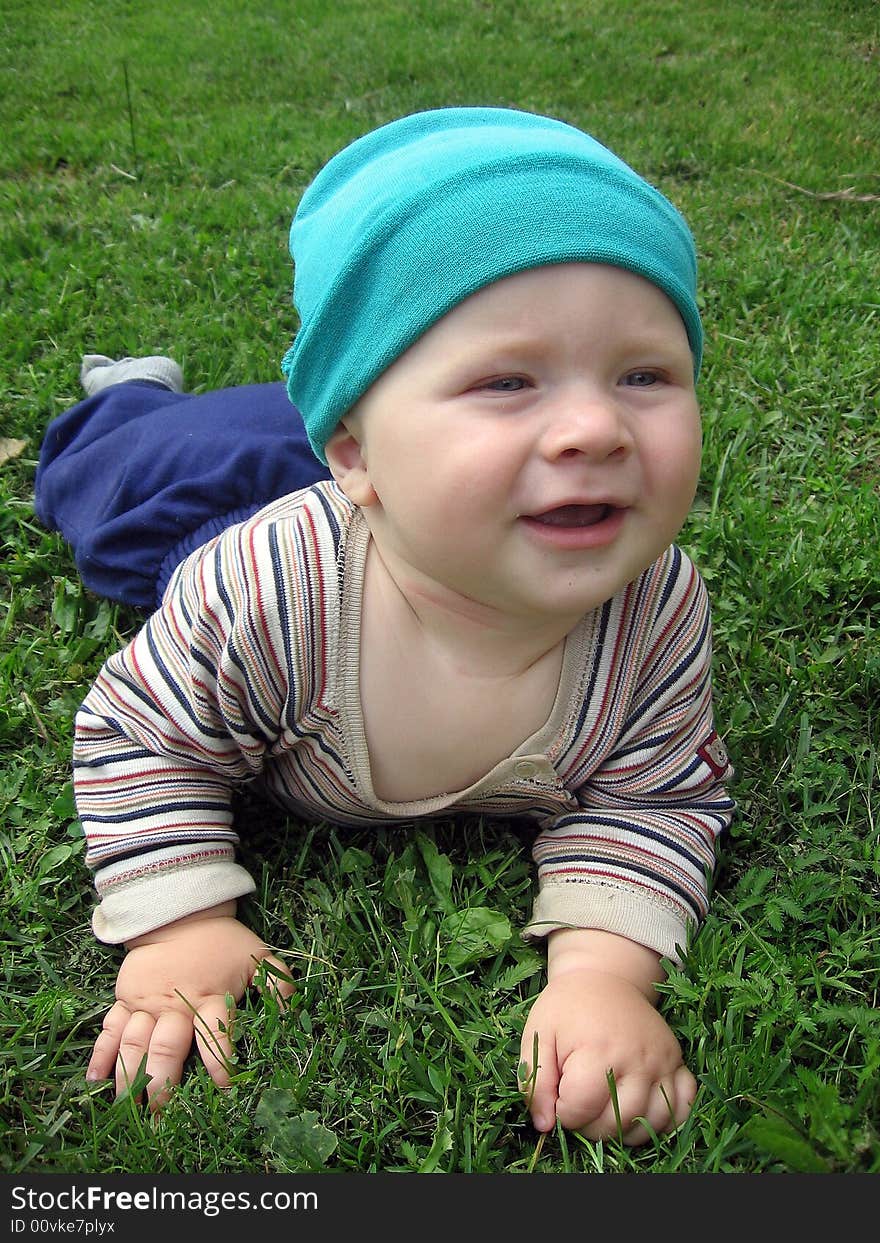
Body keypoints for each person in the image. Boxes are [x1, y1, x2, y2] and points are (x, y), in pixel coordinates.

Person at [35, 106, 735, 1145]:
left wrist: (601, 974)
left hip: (386, 475)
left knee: (314, 434)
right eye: (507, 379)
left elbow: (655, 795)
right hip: (218, 507)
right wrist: (181, 925)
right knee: (115, 486)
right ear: (353, 453)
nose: (596, 426)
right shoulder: (263, 589)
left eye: (643, 374)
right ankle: (131, 393)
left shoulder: (656, 609)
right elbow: (143, 735)